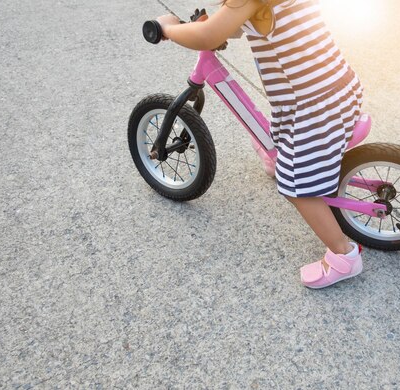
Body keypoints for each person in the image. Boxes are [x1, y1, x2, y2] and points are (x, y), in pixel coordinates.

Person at [156, 0, 365, 288]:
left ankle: (344, 255)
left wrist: (169, 28)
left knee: (294, 184)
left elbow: (207, 38)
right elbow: (233, 26)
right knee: (282, 131)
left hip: (314, 110)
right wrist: (215, 24)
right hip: (338, 89)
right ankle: (278, 157)